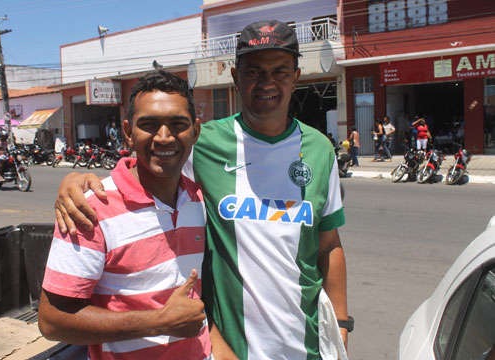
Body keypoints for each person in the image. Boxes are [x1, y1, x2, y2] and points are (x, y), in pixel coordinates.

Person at [54, 20, 349, 359]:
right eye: (254, 72)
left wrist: (341, 323)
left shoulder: (320, 150)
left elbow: (329, 245)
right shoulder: (199, 142)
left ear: (295, 77)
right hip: (230, 348)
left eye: (280, 71)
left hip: (306, 345)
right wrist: (75, 181)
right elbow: (148, 164)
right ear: (236, 77)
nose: (267, 83)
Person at [38, 70, 231, 359]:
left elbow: (194, 307)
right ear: (128, 132)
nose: (164, 138)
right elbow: (52, 320)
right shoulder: (90, 208)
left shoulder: (197, 200)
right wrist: (159, 323)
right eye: (149, 125)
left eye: (177, 124)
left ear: (196, 131)